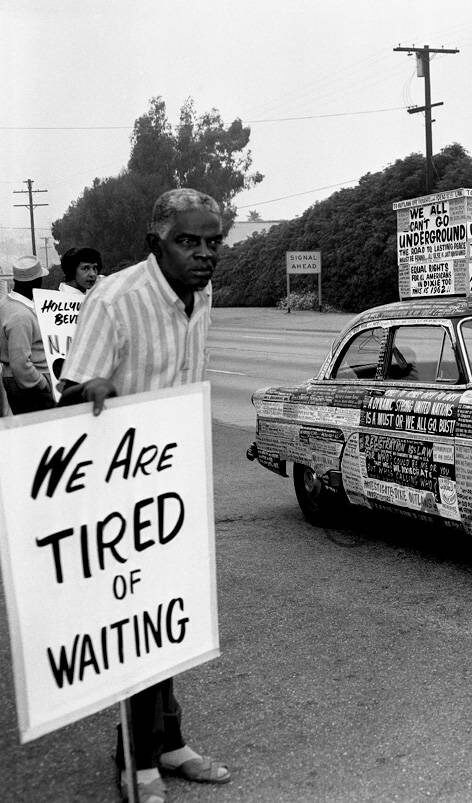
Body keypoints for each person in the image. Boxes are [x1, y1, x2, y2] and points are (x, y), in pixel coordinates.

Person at [60, 188, 229, 803]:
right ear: (155, 242)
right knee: (135, 626)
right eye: (189, 242)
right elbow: (68, 398)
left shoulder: (201, 292)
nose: (205, 254)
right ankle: (135, 763)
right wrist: (90, 389)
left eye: (214, 242)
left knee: (169, 621)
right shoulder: (116, 299)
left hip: (174, 481)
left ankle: (171, 742)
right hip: (118, 493)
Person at [0, 255, 55, 413]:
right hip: (29, 383)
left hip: (19, 380)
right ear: (36, 282)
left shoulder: (6, 304)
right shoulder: (21, 316)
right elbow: (20, 363)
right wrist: (42, 383)